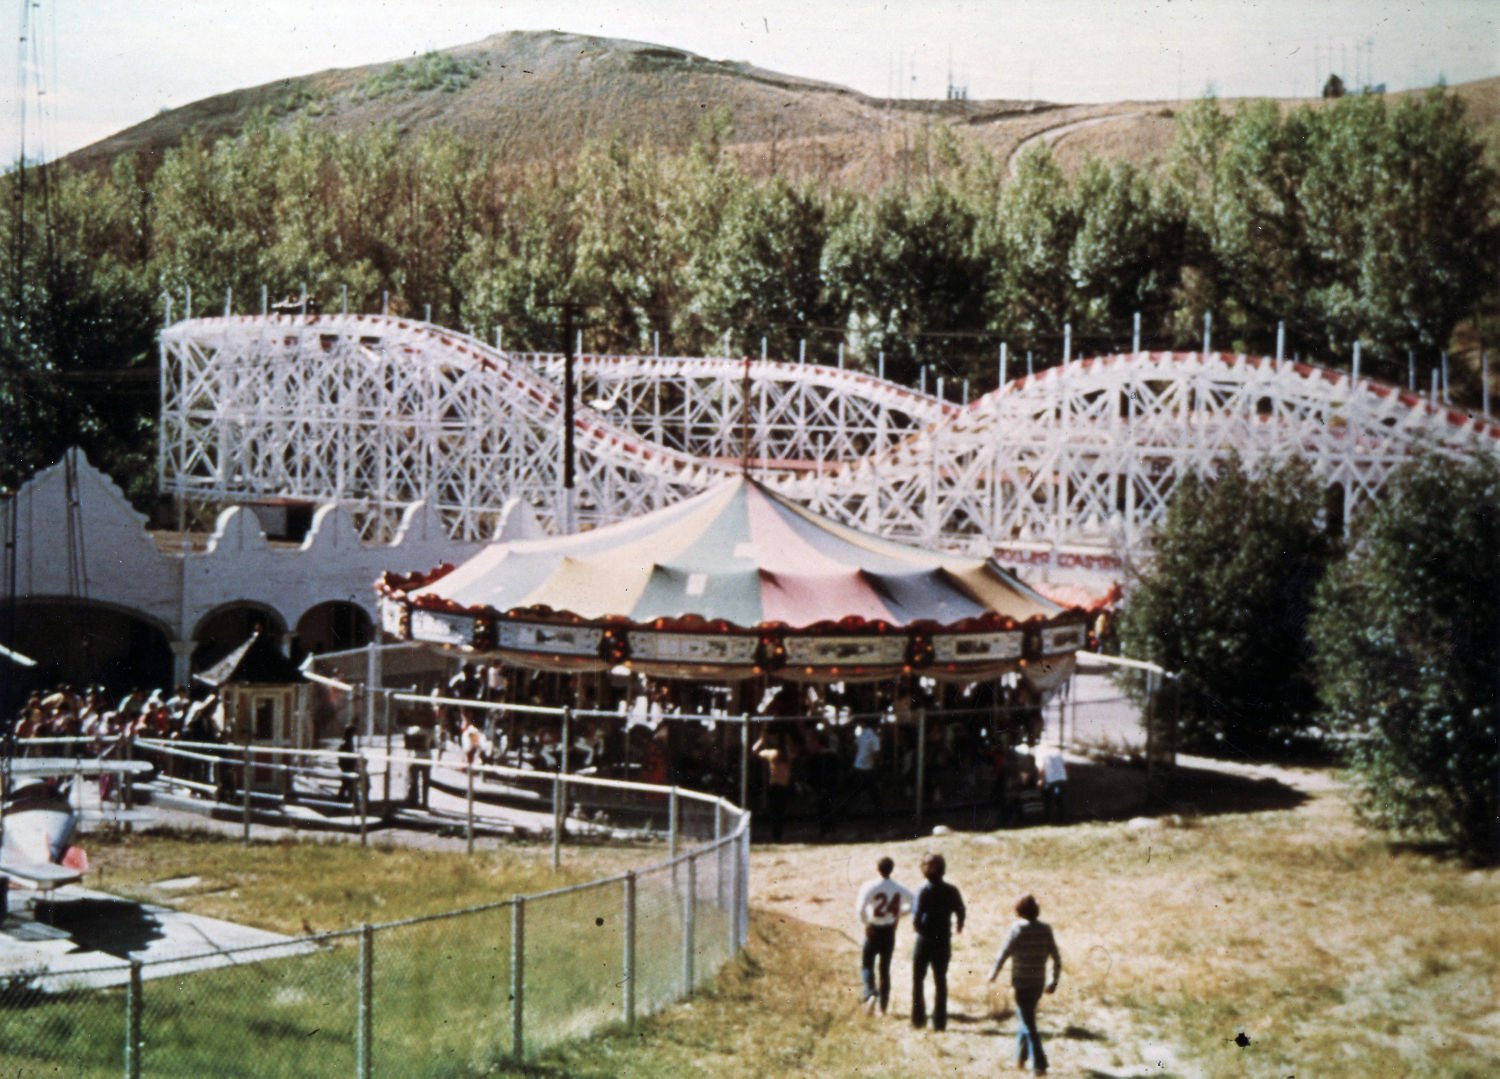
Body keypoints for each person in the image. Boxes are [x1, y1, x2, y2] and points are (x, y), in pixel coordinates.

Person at [988, 894, 1062, 1075]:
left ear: (1019, 911)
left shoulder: (1017, 929)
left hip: (1021, 982)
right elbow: (1056, 957)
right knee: (1026, 1018)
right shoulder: (1045, 929)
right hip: (1038, 982)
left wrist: (993, 973)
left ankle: (1040, 1064)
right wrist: (1054, 980)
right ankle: (1020, 1059)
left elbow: (1003, 953)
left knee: (1028, 1023)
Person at [910, 851, 965, 1031]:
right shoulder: (951, 890)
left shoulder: (923, 890)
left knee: (918, 979)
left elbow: (917, 917)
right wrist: (959, 926)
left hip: (925, 940)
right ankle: (939, 1022)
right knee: (940, 980)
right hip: (943, 940)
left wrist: (919, 929)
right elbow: (960, 910)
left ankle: (918, 1020)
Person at [855, 856, 913, 1016]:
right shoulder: (898, 887)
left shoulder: (869, 886)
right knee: (885, 967)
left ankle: (870, 993)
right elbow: (913, 902)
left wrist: (866, 924)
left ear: (877, 868)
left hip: (874, 928)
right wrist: (898, 915)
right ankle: (884, 1005)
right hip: (889, 929)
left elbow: (860, 909)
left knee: (867, 963)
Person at [752, 727, 793, 841]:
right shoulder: (786, 755)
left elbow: (754, 751)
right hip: (782, 786)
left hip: (776, 785)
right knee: (780, 811)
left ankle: (776, 834)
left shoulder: (773, 753)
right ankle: (778, 834)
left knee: (775, 811)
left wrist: (761, 740)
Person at [849, 721, 883, 818]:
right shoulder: (874, 738)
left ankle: (843, 812)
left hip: (858, 766)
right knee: (874, 794)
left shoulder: (862, 734)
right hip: (867, 768)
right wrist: (879, 762)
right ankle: (880, 816)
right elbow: (876, 753)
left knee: (857, 792)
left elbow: (855, 747)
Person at [1036, 743, 1068, 823]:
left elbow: (1041, 769)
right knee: (1059, 800)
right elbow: (1064, 766)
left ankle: (1047, 818)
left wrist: (1041, 780)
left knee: (1047, 800)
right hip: (1061, 779)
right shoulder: (1058, 753)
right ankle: (1062, 818)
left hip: (1050, 780)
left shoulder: (1041, 755)